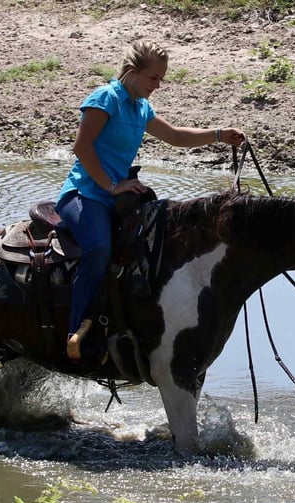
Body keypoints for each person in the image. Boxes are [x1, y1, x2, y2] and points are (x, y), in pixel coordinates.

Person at [55, 39, 246, 361]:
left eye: (161, 79)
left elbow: (175, 136)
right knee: (99, 248)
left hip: (119, 193)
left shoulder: (141, 107)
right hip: (84, 194)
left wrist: (219, 134)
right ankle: (77, 332)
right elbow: (82, 148)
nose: (157, 85)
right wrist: (112, 186)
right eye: (153, 78)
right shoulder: (105, 98)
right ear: (132, 71)